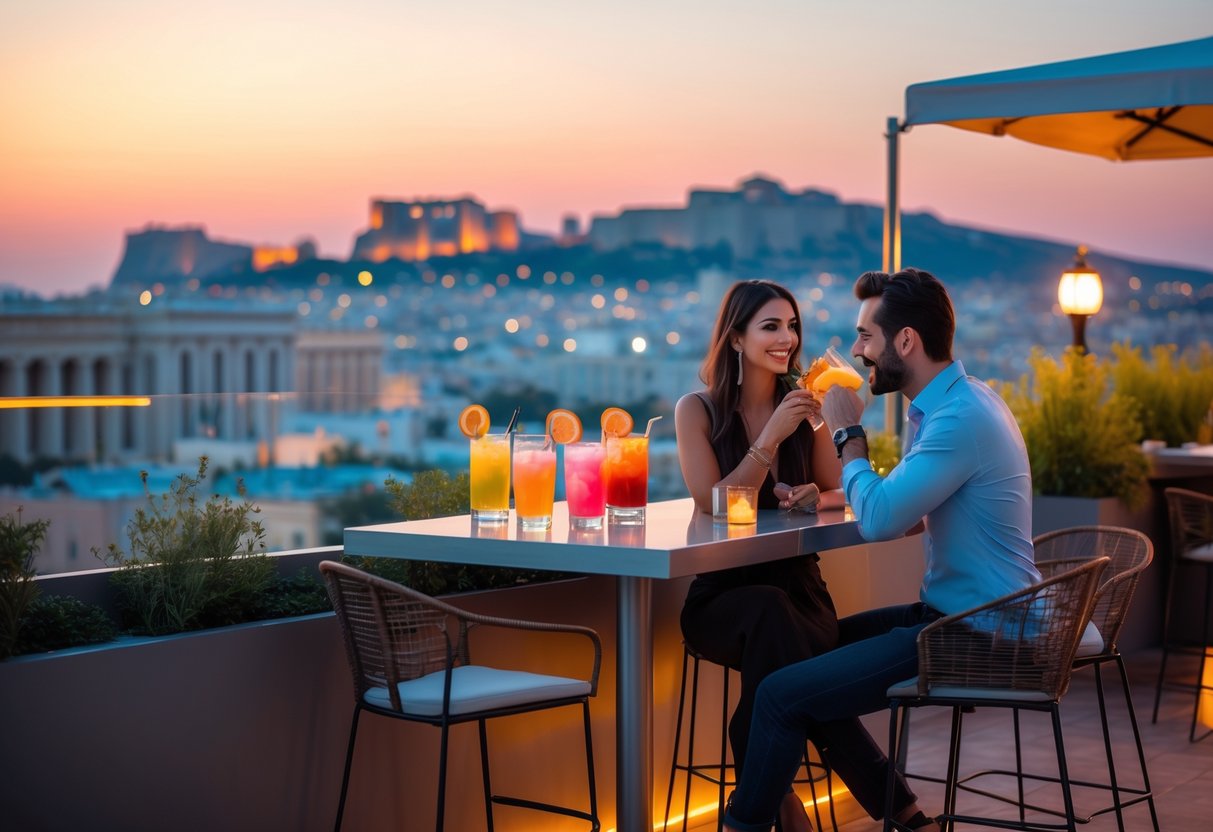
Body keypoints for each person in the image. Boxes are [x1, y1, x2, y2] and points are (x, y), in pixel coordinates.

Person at [721, 268, 1040, 832]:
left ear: (906, 341)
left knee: (778, 693)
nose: (858, 353)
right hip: (970, 617)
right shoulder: (959, 402)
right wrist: (824, 496)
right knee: (802, 667)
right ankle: (909, 818)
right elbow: (910, 510)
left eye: (866, 337)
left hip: (974, 633)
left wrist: (847, 435)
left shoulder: (957, 420)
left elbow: (884, 523)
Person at [674, 279, 845, 832]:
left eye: (792, 326)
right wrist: (770, 436)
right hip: (722, 600)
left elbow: (844, 489)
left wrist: (819, 496)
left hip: (803, 599)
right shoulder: (695, 410)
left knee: (777, 614)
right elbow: (715, 503)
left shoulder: (810, 409)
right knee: (769, 613)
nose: (788, 339)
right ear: (735, 338)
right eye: (771, 326)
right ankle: (782, 799)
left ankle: (757, 796)